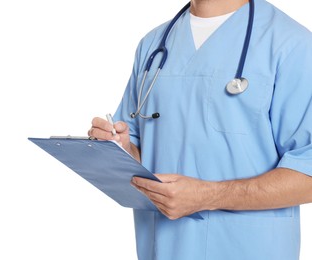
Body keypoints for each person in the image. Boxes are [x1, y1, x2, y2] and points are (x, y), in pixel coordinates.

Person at [88, 0, 312, 259]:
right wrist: (121, 149)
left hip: (247, 248)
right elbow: (142, 155)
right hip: (162, 248)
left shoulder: (291, 44)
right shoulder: (153, 45)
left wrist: (209, 196)